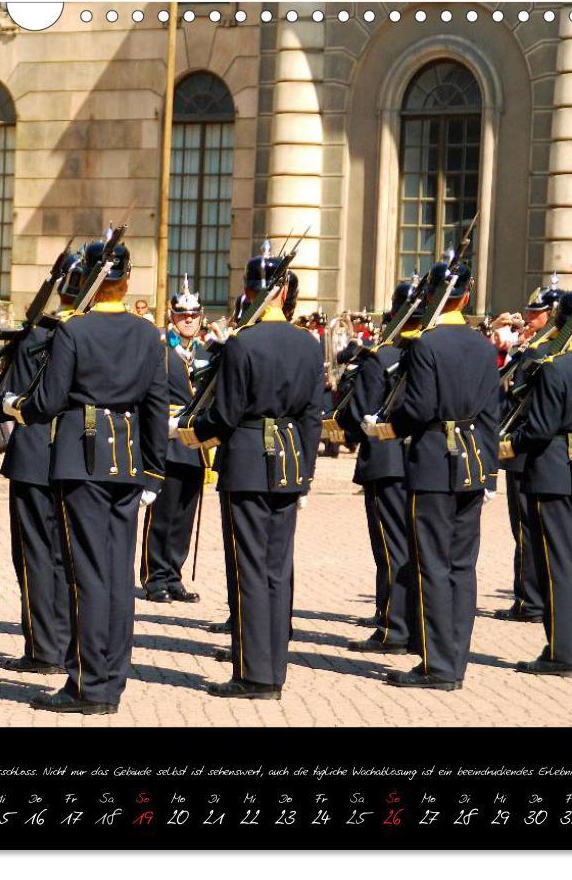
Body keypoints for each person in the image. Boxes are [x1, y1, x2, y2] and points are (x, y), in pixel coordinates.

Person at [3, 240, 168, 715]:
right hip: (129, 460)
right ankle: (112, 676)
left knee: (89, 575)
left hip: (82, 457)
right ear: (128, 283)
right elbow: (156, 405)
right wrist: (153, 470)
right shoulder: (146, 334)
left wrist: (18, 408)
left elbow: (50, 401)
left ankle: (88, 685)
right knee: (117, 575)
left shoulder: (75, 331)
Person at [177, 249, 323, 700]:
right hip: (290, 463)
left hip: (246, 461)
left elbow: (226, 414)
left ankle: (254, 674)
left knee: (250, 570)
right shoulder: (307, 344)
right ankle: (273, 666)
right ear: (284, 292)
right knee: (278, 569)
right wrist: (307, 474)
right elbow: (314, 415)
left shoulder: (243, 342)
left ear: (251, 292)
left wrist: (192, 433)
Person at [368, 258, 500, 691]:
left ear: (432, 297)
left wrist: (388, 426)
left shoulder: (426, 344)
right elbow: (492, 413)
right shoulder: (483, 344)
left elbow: (419, 407)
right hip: (474, 460)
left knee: (432, 565)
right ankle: (454, 658)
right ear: (465, 297)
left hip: (432, 461)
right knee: (463, 565)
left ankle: (437, 665)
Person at [501, 288, 572, 678]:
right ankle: (571, 649)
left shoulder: (555, 366)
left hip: (551, 470)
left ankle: (561, 654)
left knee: (554, 564)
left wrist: (506, 446)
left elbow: (538, 430)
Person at [0, 255, 81, 674]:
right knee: (70, 555)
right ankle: (70, 643)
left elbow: (9, 397)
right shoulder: (87, 333)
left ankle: (43, 647)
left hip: (33, 453)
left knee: (34, 556)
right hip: (78, 454)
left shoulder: (36, 335)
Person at [338, 281, 416, 654]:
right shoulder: (431, 350)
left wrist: (351, 430)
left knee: (391, 549)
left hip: (386, 461)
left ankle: (393, 626)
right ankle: (415, 622)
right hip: (427, 462)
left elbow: (358, 411)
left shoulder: (381, 357)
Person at [495, 278, 564, 623]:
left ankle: (529, 600)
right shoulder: (539, 346)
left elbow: (517, 396)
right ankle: (534, 596)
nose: (528, 317)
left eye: (536, 314)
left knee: (525, 528)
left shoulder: (540, 351)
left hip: (522, 448)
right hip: (534, 447)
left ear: (552, 315)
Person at [140, 276, 208, 604]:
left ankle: (174, 575)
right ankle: (155, 578)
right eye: (183, 316)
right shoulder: (162, 351)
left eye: (194, 315)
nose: (189, 320)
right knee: (162, 514)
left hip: (195, 445)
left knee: (184, 516)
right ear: (172, 317)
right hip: (166, 441)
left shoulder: (206, 353)